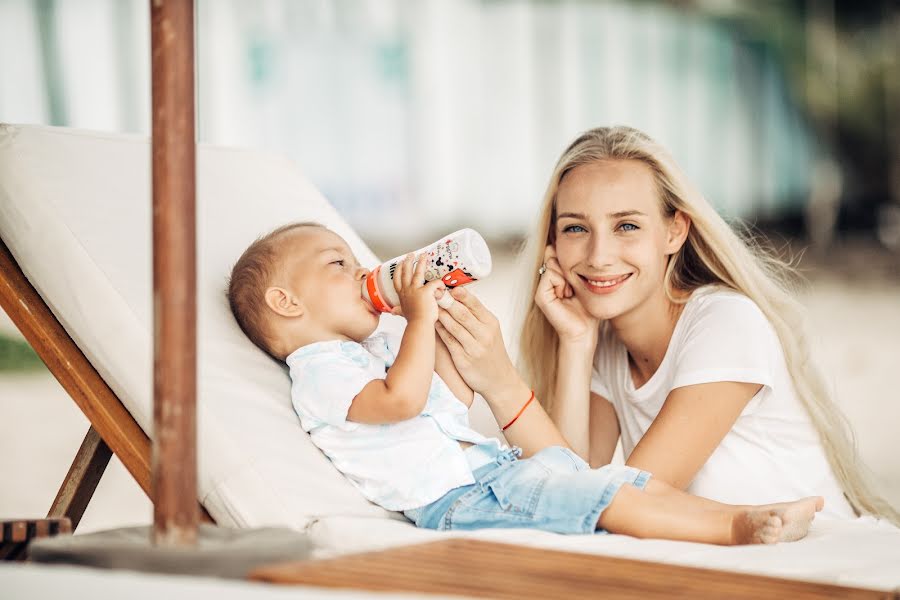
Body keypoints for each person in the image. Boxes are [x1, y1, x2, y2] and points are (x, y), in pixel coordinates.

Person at [226, 221, 822, 544]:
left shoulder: (370, 350)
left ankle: (732, 517)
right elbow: (403, 401)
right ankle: (732, 528)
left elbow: (447, 403)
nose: (360, 271)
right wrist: (419, 323)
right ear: (285, 301)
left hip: (490, 474)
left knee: (617, 482)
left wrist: (439, 322)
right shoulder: (318, 374)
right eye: (338, 266)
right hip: (458, 501)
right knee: (608, 496)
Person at [433, 126, 898, 524]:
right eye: (576, 228)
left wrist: (502, 386)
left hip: (811, 569)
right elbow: (569, 493)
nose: (598, 256)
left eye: (627, 226)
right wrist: (576, 344)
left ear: (675, 231)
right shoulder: (607, 340)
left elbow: (621, 503)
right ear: (552, 241)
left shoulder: (725, 323)